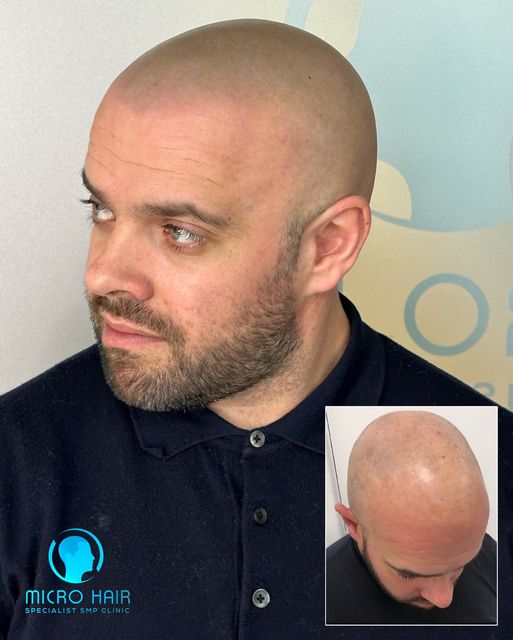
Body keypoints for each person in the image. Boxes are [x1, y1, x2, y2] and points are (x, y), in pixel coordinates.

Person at [0, 18, 511, 640]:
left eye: (180, 232)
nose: (102, 274)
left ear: (328, 246)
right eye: (102, 209)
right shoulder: (17, 461)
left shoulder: (497, 476)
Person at [326, 411, 496, 624]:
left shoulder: (489, 552)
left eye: (461, 566)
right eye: (409, 575)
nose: (444, 599)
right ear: (354, 526)